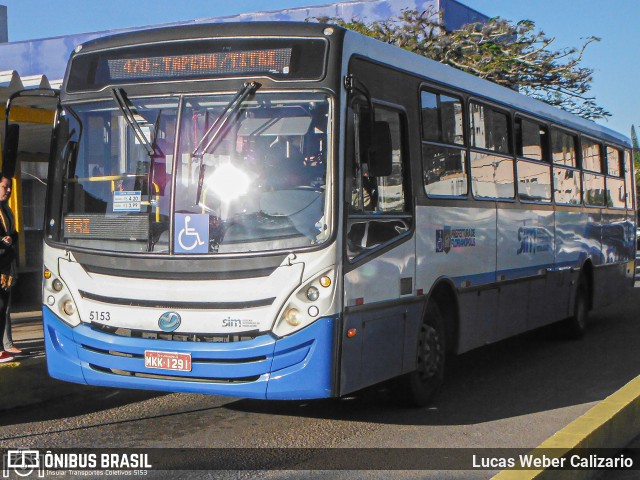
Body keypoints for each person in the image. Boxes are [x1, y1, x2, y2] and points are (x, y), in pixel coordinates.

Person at [0, 175, 18, 363]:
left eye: (10, 187)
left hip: (6, 266)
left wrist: (11, 239)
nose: (8, 190)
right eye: (5, 187)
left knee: (4, 306)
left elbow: (13, 234)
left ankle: (6, 344)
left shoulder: (7, 210)